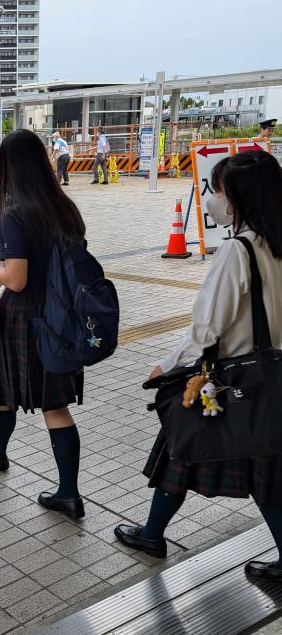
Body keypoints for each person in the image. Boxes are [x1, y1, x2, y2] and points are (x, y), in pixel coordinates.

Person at [113, 151, 282, 579]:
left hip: (232, 380)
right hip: (274, 380)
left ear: (239, 198)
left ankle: (152, 534)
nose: (213, 199)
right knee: (269, 471)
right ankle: (152, 530)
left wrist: (165, 367)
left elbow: (205, 331)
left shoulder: (237, 251)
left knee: (179, 450)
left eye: (218, 191)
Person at [0, 129, 87, 520]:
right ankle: (69, 493)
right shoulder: (63, 206)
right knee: (55, 405)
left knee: (3, 391)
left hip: (22, 319)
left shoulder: (15, 212)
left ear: (14, 165)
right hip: (60, 316)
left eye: (0, 161)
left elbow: (14, 278)